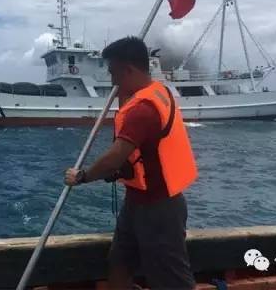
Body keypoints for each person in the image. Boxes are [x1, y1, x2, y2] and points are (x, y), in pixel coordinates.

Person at [65, 36, 198, 290]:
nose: (112, 80)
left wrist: (81, 176)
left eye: (113, 72)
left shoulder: (143, 110)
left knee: (171, 280)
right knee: (119, 264)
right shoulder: (158, 92)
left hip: (159, 209)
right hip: (136, 202)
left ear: (128, 70)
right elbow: (139, 153)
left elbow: (114, 157)